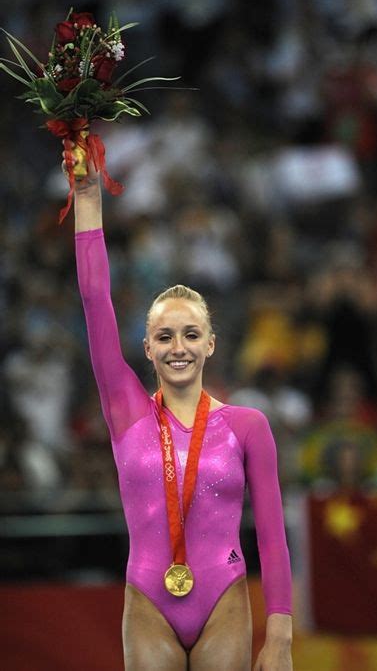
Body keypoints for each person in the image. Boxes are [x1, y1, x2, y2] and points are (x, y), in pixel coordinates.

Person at [69, 149, 293, 671]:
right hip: (148, 598)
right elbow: (94, 298)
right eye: (164, 336)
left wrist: (279, 634)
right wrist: (86, 198)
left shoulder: (247, 425)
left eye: (191, 334)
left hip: (224, 597)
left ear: (211, 344)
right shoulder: (125, 411)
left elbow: (273, 533)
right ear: (146, 348)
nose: (178, 347)